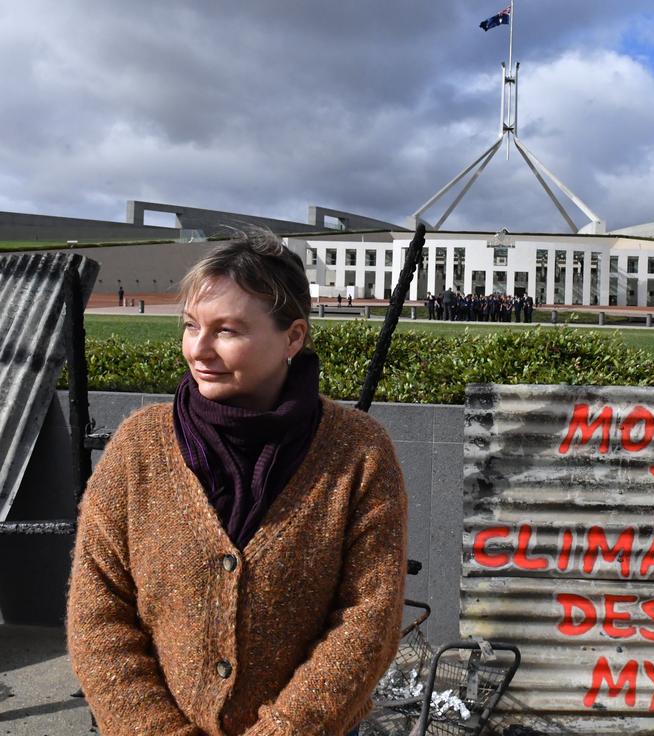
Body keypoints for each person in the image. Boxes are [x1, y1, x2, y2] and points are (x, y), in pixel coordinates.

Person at [67, 229, 407, 736]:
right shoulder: (138, 449)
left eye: (226, 330)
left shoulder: (358, 453)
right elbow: (98, 612)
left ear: (293, 336)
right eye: (189, 326)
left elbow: (369, 616)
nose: (198, 349)